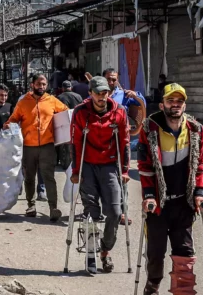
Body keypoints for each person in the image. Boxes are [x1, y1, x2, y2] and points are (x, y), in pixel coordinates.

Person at [138, 83, 203, 295]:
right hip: (159, 204)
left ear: (184, 105)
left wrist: (199, 193)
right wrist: (149, 196)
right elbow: (145, 167)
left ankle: (183, 291)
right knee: (156, 254)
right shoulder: (149, 128)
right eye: (171, 101)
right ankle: (152, 286)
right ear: (162, 104)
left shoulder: (195, 130)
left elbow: (200, 166)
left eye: (179, 101)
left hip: (183, 203)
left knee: (185, 253)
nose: (175, 105)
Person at [69, 76, 130, 273]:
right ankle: (91, 252)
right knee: (92, 212)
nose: (102, 97)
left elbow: (125, 142)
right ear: (90, 93)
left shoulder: (119, 112)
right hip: (88, 165)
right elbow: (76, 144)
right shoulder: (80, 113)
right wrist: (76, 171)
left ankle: (105, 249)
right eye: (98, 93)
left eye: (105, 93)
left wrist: (126, 170)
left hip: (111, 165)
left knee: (114, 212)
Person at [5, 74, 68, 221]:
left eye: (44, 84)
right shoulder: (23, 102)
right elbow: (14, 118)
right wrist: (8, 124)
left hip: (47, 146)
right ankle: (31, 205)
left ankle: (53, 208)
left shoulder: (52, 100)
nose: (42, 87)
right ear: (32, 84)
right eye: (39, 84)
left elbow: (66, 112)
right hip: (28, 146)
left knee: (49, 177)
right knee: (29, 177)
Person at [104, 67, 144, 225]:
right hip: (101, 143)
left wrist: (136, 95)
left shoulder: (124, 95)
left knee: (123, 176)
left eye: (114, 79)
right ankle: (106, 210)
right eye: (108, 79)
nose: (111, 82)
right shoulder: (96, 95)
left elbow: (141, 104)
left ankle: (122, 212)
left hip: (121, 141)